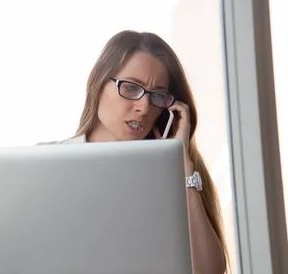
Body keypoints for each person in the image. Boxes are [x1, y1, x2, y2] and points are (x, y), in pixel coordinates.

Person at [45, 30, 228, 274]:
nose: (144, 107)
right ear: (98, 83)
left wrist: (181, 165)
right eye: (131, 88)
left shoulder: (171, 178)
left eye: (157, 96)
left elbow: (208, 270)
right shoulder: (47, 168)